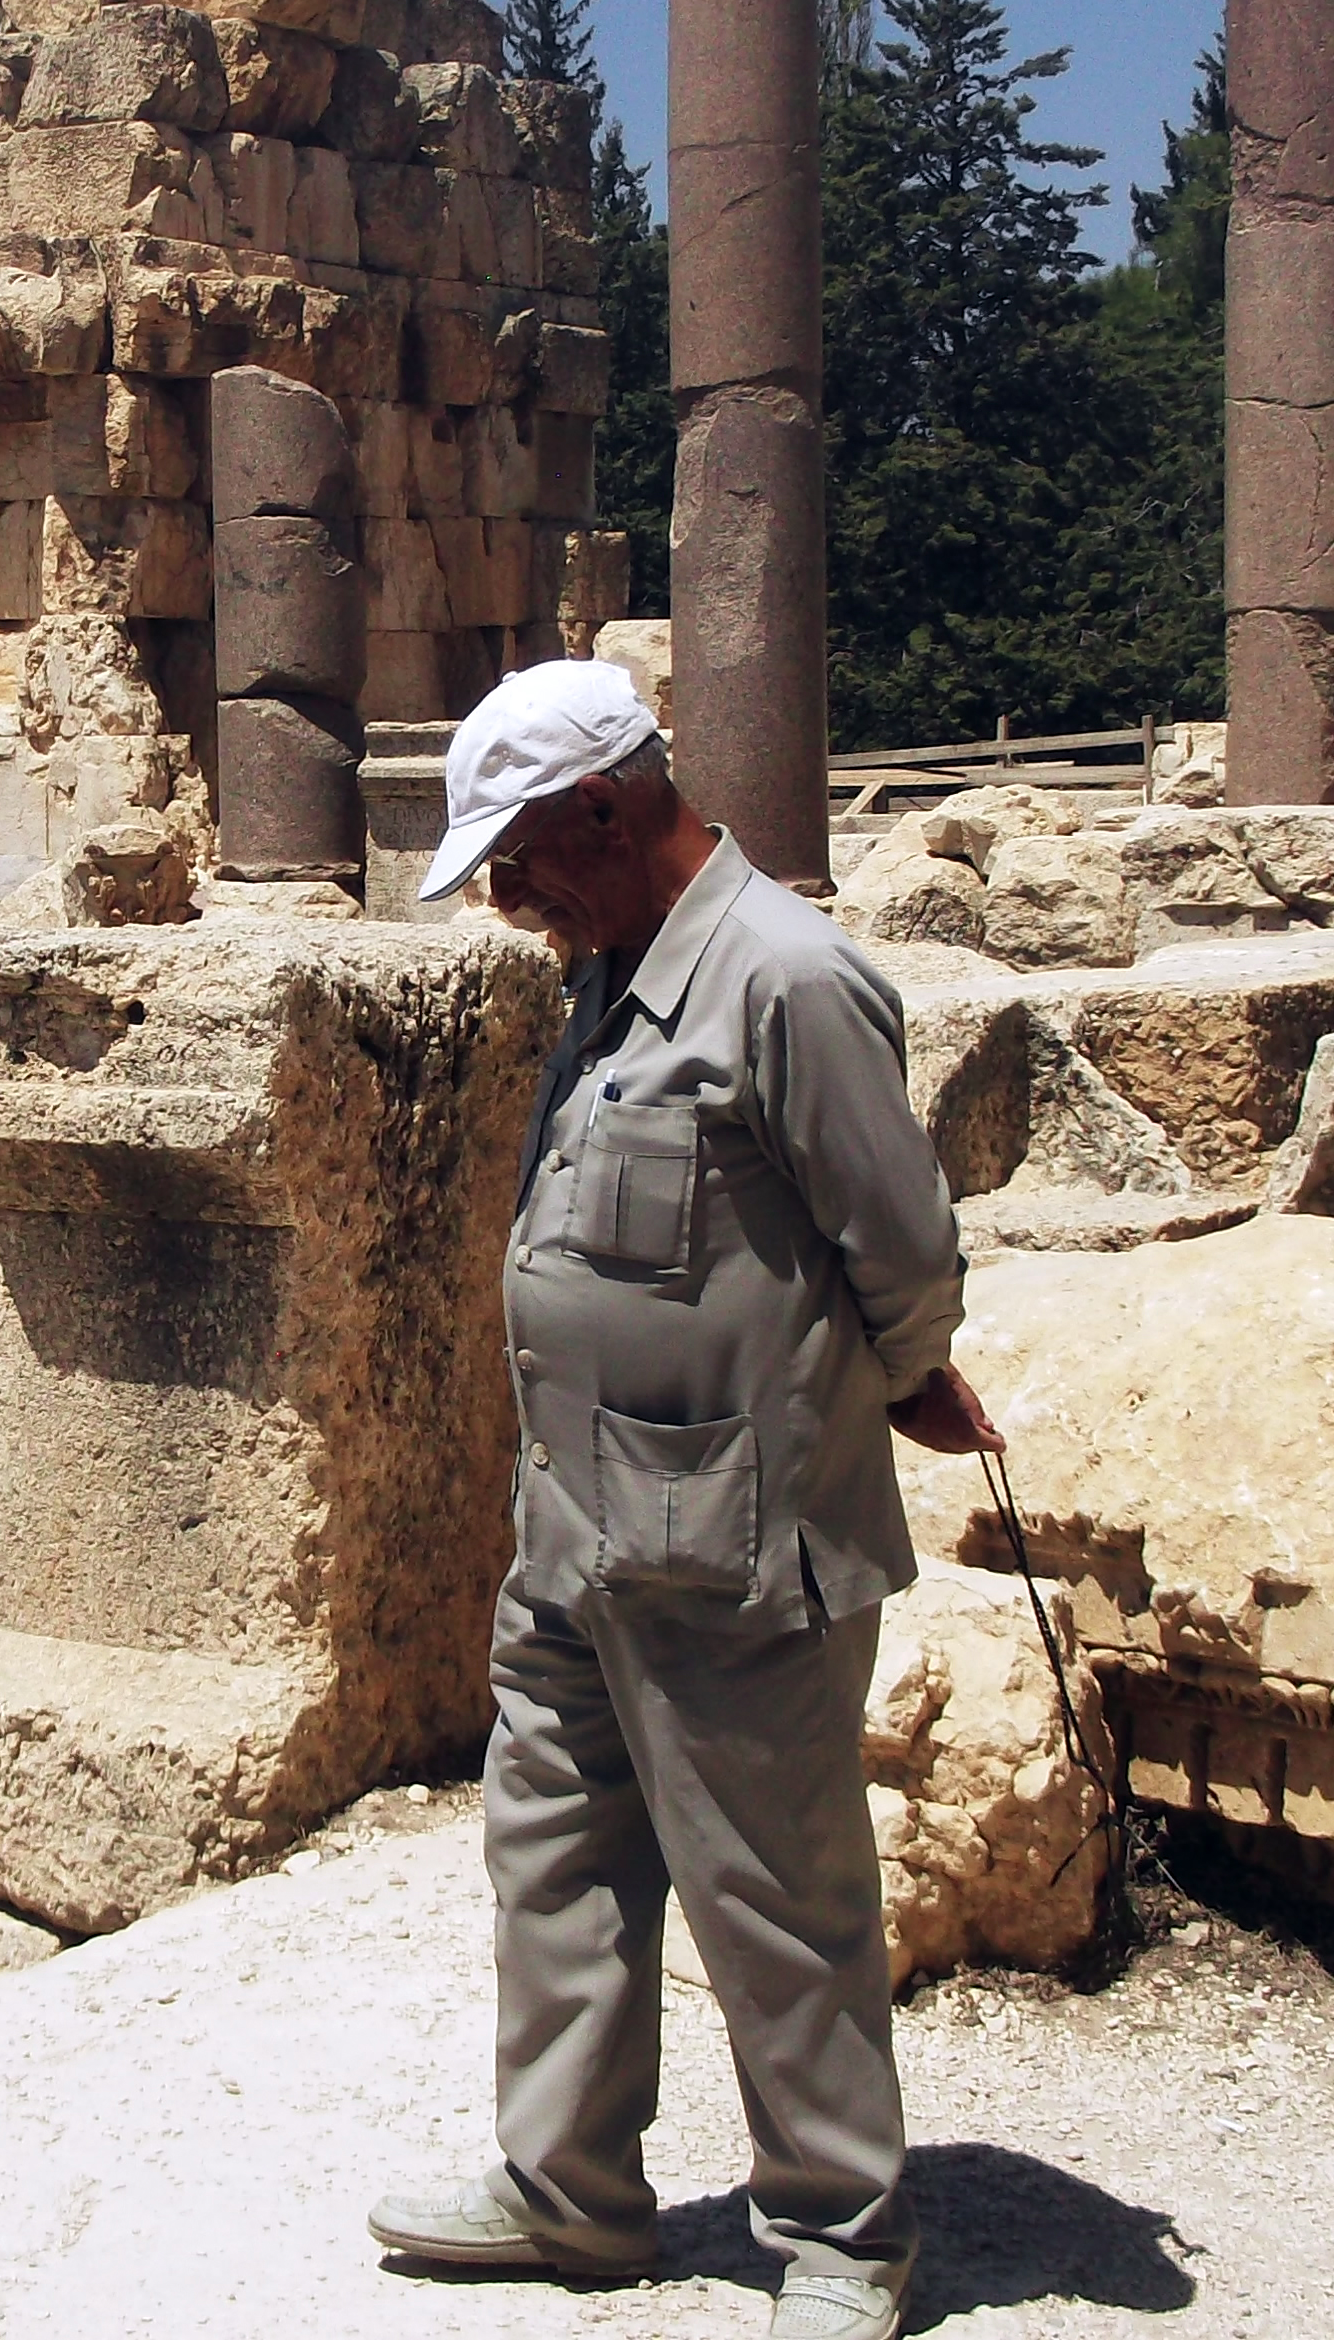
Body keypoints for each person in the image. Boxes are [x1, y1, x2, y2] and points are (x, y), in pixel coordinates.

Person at [365, 659, 996, 2340]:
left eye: (517, 859)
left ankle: (842, 2230)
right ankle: (569, 2192)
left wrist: (911, 1375)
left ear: (604, 808)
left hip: (733, 1538)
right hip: (576, 1523)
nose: (506, 901)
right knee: (552, 1858)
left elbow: (900, 1243)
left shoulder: (787, 980)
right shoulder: (611, 970)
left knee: (776, 1897)